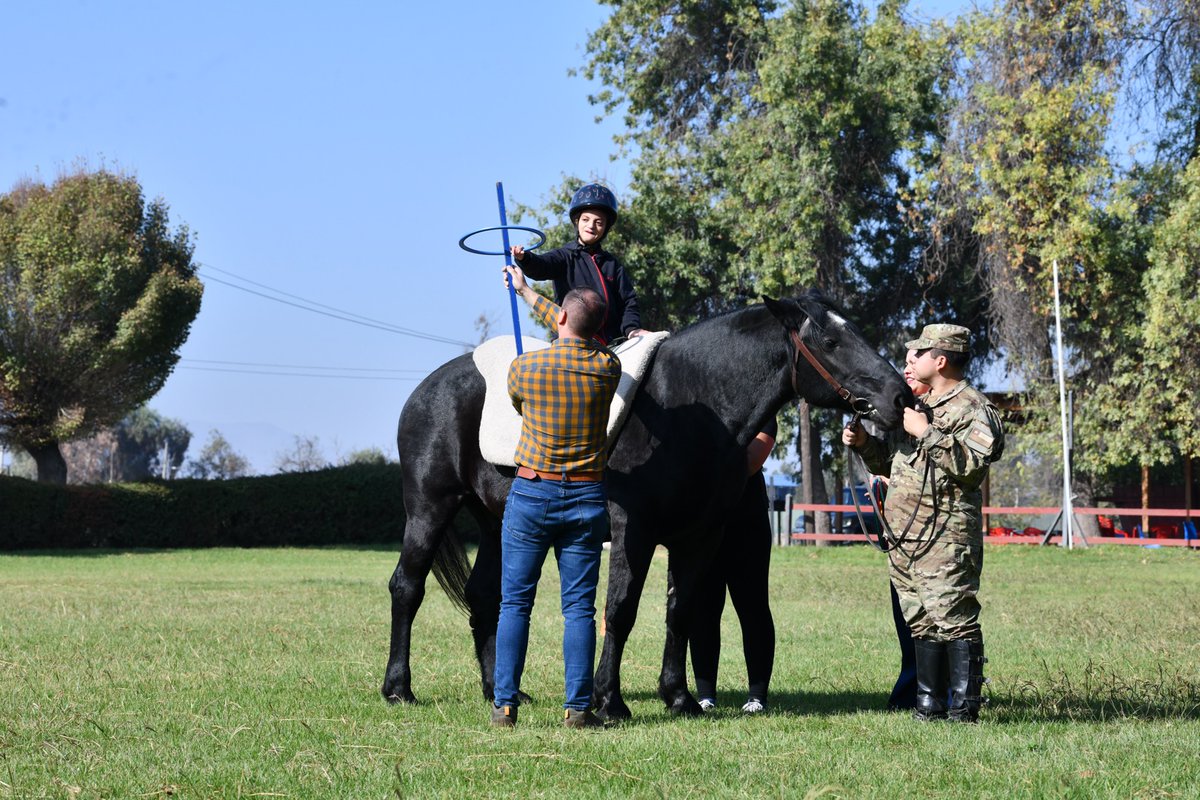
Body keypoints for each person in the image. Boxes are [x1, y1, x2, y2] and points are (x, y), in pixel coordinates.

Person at [842, 324, 1004, 723]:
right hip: (903, 536)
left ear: (941, 359)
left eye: (917, 354)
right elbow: (896, 467)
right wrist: (865, 445)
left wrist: (928, 433)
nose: (908, 362)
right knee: (921, 619)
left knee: (953, 616)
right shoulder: (915, 408)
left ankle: (964, 710)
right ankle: (927, 705)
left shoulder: (974, 408)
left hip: (945, 535)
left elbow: (971, 467)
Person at [491, 265, 622, 730]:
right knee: (579, 610)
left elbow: (517, 400)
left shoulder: (524, 367)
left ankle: (505, 706)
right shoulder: (608, 368)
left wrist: (524, 291)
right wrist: (530, 292)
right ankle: (577, 709)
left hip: (531, 493)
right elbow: (573, 324)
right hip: (587, 498)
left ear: (560, 319)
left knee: (515, 604)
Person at [688, 420, 777, 714]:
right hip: (703, 519)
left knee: (752, 608)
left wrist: (701, 454)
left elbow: (750, 462)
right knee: (703, 609)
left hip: (747, 520)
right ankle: (705, 694)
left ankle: (757, 696)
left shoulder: (763, 411)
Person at [509, 183, 648, 345]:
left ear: (605, 229)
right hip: (571, 341)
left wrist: (632, 329)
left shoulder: (612, 264)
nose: (591, 226)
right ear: (577, 221)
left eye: (599, 222)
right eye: (586, 219)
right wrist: (524, 258)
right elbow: (541, 266)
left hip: (612, 343)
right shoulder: (564, 256)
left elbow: (628, 301)